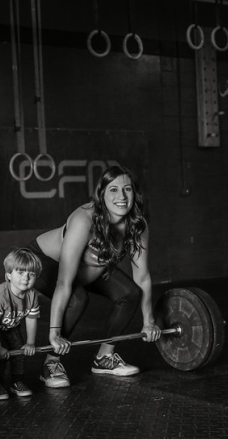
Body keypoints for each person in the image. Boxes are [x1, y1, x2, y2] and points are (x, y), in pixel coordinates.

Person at [26, 165, 161, 388]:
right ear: (102, 194)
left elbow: (143, 277)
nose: (122, 196)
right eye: (114, 190)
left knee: (130, 293)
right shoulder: (84, 220)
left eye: (127, 189)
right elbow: (64, 282)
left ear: (135, 194)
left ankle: (104, 358)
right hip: (44, 261)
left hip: (89, 267)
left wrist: (149, 322)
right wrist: (54, 334)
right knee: (77, 298)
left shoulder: (138, 226)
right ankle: (51, 362)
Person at [0, 248, 41, 401]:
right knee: (1, 356)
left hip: (11, 322)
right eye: (21, 272)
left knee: (19, 351)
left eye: (31, 274)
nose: (26, 278)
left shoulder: (32, 295)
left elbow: (31, 319)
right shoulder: (0, 295)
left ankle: (17, 382)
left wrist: (30, 343)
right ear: (9, 275)